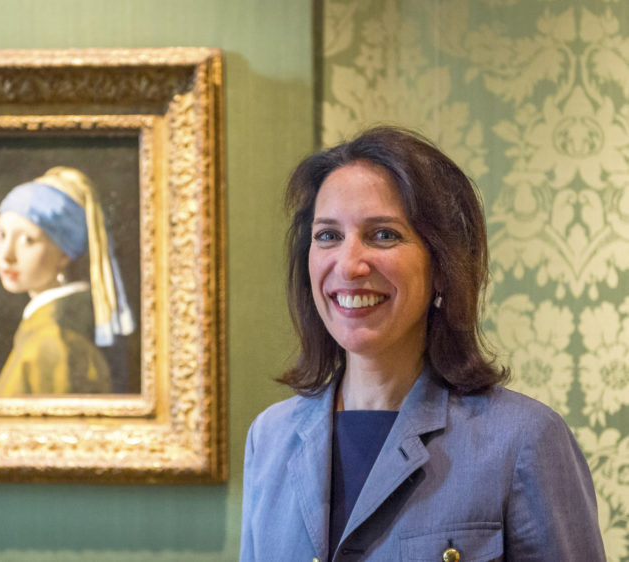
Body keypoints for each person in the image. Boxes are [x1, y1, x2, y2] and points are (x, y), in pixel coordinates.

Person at [240, 127, 605, 561]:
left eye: (383, 235)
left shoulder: (524, 439)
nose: (349, 265)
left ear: (442, 266)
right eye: (328, 236)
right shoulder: (268, 439)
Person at [0, 166, 134, 396]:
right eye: (1, 235)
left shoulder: (52, 341)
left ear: (65, 254)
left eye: (28, 240)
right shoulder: (48, 328)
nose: (7, 255)